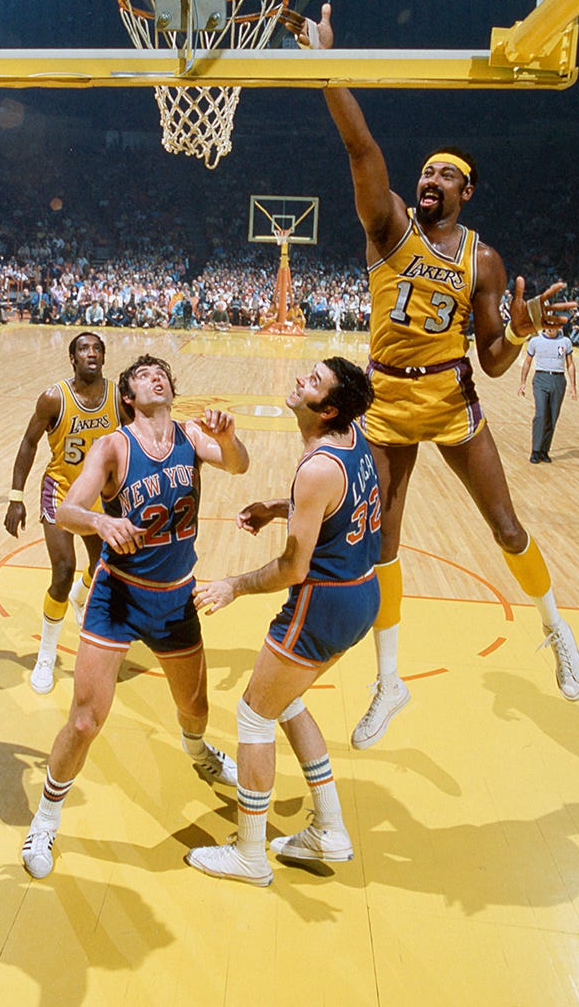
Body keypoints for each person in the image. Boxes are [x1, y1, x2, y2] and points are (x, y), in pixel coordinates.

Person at [301, 3, 579, 750]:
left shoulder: (483, 260)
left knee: (507, 524)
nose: (430, 177)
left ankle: (555, 629)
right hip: (388, 399)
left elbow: (492, 360)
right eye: (425, 169)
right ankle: (389, 682)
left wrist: (521, 330)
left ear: (467, 191)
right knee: (382, 544)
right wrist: (327, 67)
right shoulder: (389, 227)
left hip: (451, 397)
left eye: (445, 174)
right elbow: (363, 148)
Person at [21, 354, 248, 879]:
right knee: (84, 720)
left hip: (175, 597)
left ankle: (197, 749)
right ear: (129, 396)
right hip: (118, 597)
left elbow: (238, 465)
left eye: (161, 373)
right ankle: (46, 820)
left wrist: (231, 438)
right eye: (143, 375)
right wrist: (101, 521)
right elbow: (67, 510)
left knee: (196, 711)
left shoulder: (192, 435)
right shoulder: (113, 446)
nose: (155, 377)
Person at [186, 358, 381, 886]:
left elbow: (293, 567)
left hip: (324, 603)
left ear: (329, 409)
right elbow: (333, 509)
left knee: (253, 716)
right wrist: (280, 508)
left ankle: (249, 855)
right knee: (286, 699)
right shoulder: (351, 436)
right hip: (362, 594)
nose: (300, 380)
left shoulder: (317, 468)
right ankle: (330, 828)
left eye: (313, 382)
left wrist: (233, 585)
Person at [4, 331, 125, 694]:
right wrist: (15, 496)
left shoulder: (119, 396)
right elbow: (29, 442)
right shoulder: (54, 398)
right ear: (72, 359)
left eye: (97, 349)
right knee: (61, 569)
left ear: (104, 357)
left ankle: (80, 594)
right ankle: (46, 655)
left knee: (100, 569)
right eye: (83, 349)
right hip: (59, 490)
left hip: (100, 496)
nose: (91, 353)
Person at [518, 324, 576, 463]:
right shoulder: (535, 341)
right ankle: (535, 450)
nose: (551, 328)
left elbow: (570, 364)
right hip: (541, 379)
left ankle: (544, 450)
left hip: (558, 379)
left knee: (552, 416)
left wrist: (573, 385)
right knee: (540, 415)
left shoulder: (565, 342)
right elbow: (527, 362)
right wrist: (523, 382)